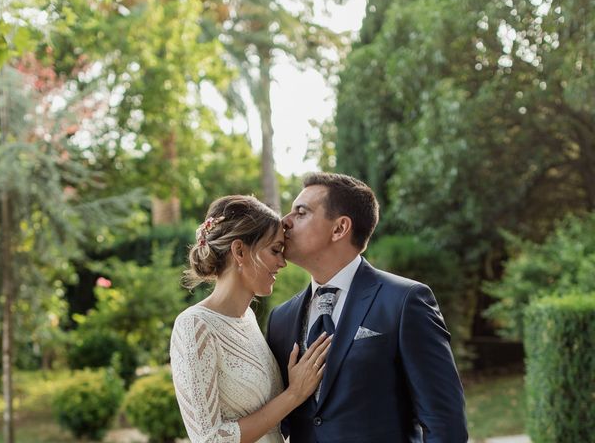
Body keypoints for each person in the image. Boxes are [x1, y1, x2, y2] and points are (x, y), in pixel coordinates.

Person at [266, 173, 468, 442]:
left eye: (300, 213)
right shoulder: (280, 319)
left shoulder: (405, 301)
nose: (284, 223)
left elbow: (444, 422)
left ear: (339, 228)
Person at [169, 195, 332, 443]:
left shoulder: (248, 318)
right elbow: (209, 439)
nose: (282, 262)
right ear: (239, 251)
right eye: (275, 250)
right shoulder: (194, 326)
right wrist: (294, 393)